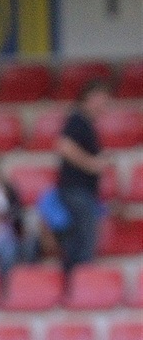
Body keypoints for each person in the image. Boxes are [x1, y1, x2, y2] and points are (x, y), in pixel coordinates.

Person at [55, 77, 111, 273]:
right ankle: (81, 280)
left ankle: (76, 277)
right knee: (85, 239)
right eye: (102, 99)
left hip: (81, 191)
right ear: (91, 97)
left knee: (79, 237)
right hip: (76, 191)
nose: (105, 104)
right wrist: (92, 164)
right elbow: (64, 147)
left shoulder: (86, 122)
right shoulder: (77, 119)